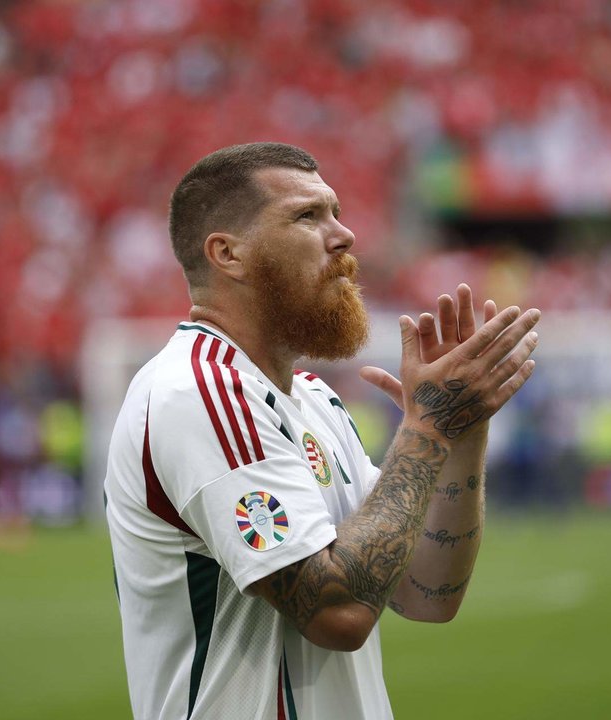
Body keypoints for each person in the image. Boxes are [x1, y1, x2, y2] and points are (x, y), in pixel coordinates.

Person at [104, 142, 541, 719]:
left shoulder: (311, 399)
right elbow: (339, 614)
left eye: (335, 211)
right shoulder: (201, 393)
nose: (344, 235)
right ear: (228, 254)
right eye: (307, 216)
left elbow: (427, 592)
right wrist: (427, 431)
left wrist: (460, 430)